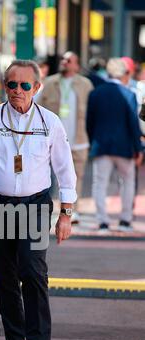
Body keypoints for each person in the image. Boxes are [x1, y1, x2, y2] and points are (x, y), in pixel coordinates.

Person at [0, 59, 77, 340]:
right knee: (7, 275)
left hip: (36, 204)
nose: (17, 90)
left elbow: (65, 170)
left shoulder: (50, 122)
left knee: (33, 270)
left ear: (36, 88)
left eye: (25, 85)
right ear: (4, 86)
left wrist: (66, 213)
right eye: (11, 84)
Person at [87, 58, 143, 232]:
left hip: (101, 145)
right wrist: (138, 148)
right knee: (127, 182)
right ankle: (125, 220)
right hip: (124, 146)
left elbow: (90, 122)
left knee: (100, 183)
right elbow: (133, 124)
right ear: (123, 75)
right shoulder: (128, 94)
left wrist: (92, 141)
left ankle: (103, 221)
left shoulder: (96, 93)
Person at [36, 51, 93, 224]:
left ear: (76, 65)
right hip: (53, 141)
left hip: (79, 139)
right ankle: (54, 208)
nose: (64, 63)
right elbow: (36, 107)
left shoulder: (85, 84)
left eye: (69, 60)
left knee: (77, 176)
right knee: (51, 176)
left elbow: (93, 111)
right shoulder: (50, 82)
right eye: (63, 60)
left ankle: (72, 210)